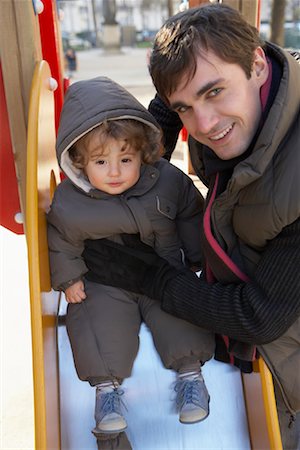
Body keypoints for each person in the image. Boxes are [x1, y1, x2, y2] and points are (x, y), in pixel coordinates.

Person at [82, 4, 300, 449]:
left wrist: (149, 277)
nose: (204, 125)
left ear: (257, 65)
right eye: (186, 108)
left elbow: (260, 317)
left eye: (216, 92)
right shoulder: (235, 110)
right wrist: (136, 155)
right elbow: (176, 95)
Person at [47, 76, 215, 439]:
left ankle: (191, 378)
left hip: (164, 269)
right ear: (78, 161)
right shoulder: (70, 201)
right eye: (101, 161)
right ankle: (107, 393)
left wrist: (198, 255)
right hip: (105, 280)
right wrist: (69, 277)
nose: (115, 171)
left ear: (143, 152)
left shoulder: (167, 180)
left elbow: (189, 210)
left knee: (184, 311)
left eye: (126, 158)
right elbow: (61, 237)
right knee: (96, 322)